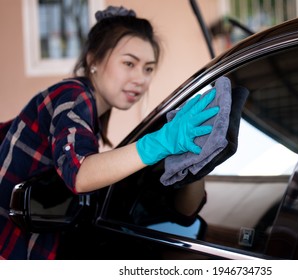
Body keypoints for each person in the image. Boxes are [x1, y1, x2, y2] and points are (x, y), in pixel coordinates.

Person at [0, 6, 219, 259]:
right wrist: (160, 142)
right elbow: (80, 173)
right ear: (94, 59)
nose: (141, 79)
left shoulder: (90, 109)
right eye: (129, 63)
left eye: (148, 68)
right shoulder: (72, 95)